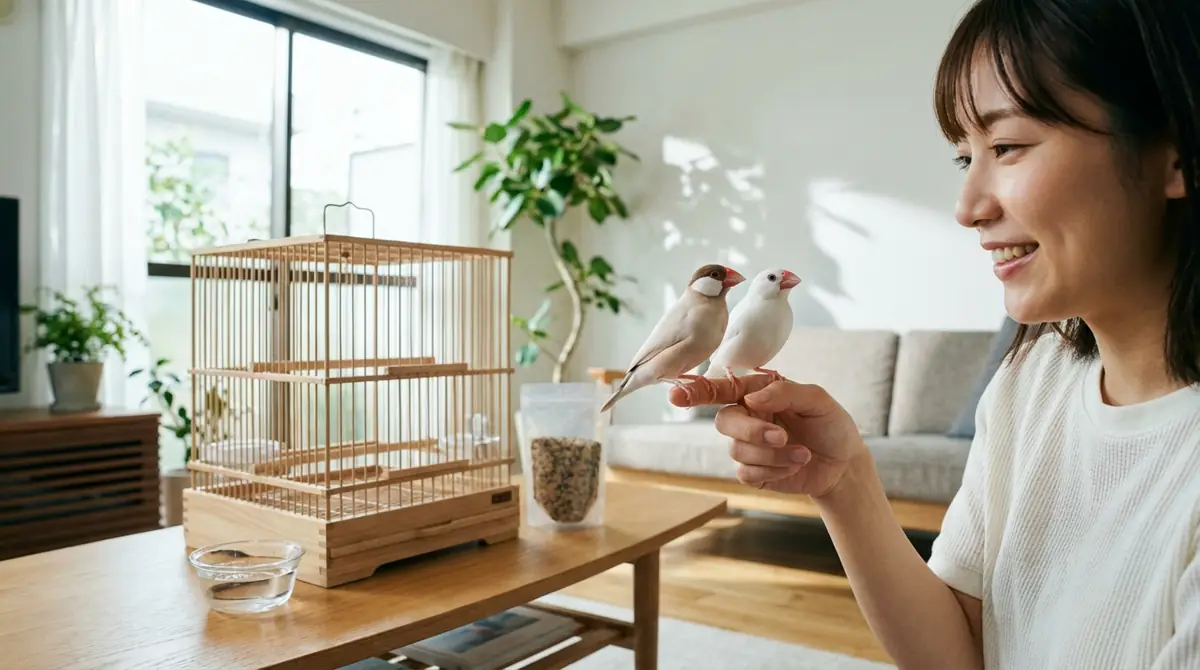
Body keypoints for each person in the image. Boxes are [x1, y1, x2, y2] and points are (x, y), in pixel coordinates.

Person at [668, 1, 1200, 668]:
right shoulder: (1030, 383)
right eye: (963, 158)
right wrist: (845, 483)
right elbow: (959, 652)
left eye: (1006, 147)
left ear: (1175, 156)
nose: (968, 207)